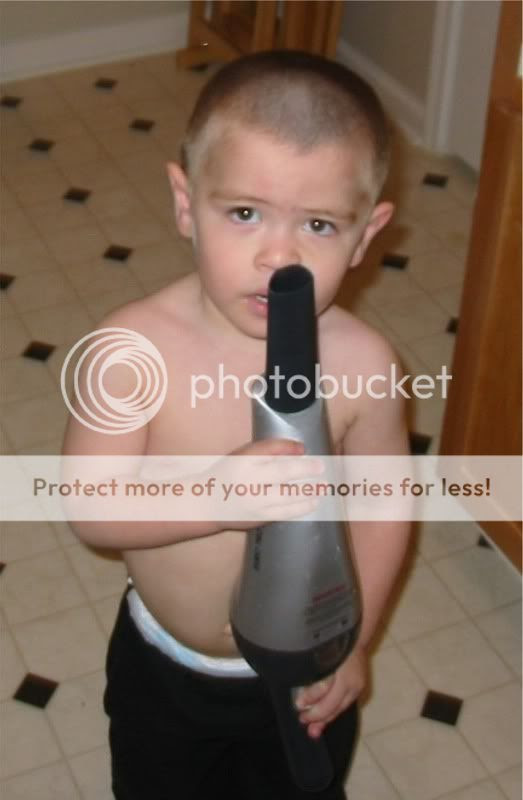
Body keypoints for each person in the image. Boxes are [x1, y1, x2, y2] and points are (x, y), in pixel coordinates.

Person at [62, 50, 411, 800]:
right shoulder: (131, 350)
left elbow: (385, 502)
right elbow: (90, 506)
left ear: (365, 235)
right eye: (244, 213)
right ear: (186, 204)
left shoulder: (364, 363)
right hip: (167, 668)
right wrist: (214, 498)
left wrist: (356, 643)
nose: (278, 255)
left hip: (309, 664)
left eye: (319, 224)